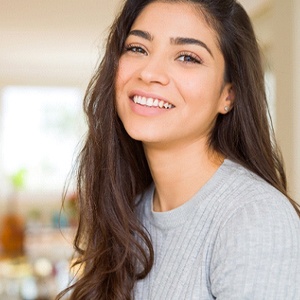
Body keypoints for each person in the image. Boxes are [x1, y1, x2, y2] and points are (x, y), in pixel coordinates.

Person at [56, 0, 300, 299]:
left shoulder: (255, 218)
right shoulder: (129, 213)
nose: (150, 73)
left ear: (228, 94)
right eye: (138, 48)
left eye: (187, 57)